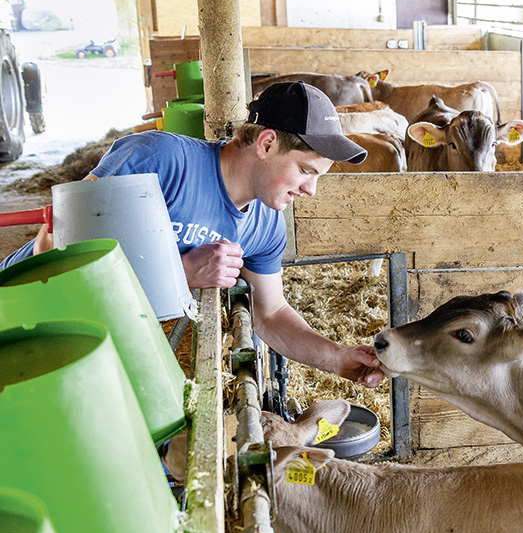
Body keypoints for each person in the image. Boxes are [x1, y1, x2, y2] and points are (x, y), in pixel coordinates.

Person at [1, 81, 384, 388]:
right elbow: (56, 246)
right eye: (306, 170)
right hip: (25, 315)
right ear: (267, 143)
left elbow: (270, 314)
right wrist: (180, 273)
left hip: (98, 352)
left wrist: (336, 358)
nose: (310, 190)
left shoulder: (266, 225)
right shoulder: (160, 160)